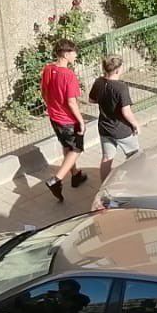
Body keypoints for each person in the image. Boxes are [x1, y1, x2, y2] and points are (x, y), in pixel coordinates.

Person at [39, 37, 89, 203]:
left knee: (67, 146)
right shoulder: (69, 75)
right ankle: (57, 180)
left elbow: (44, 92)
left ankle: (75, 175)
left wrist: (52, 106)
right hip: (68, 120)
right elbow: (71, 102)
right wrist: (81, 121)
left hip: (54, 117)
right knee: (77, 149)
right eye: (74, 52)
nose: (76, 55)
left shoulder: (48, 69)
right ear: (66, 54)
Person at [89, 54, 143, 198]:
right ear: (118, 70)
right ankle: (136, 183)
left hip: (104, 128)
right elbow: (126, 111)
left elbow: (91, 99)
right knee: (134, 155)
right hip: (122, 130)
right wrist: (135, 124)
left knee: (107, 157)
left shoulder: (99, 82)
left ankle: (104, 187)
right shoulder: (121, 88)